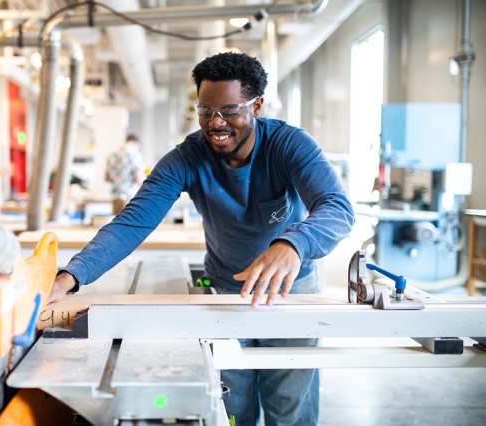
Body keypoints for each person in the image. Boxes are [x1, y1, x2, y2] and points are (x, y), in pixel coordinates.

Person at [49, 52, 355, 425]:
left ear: (256, 105)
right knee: (231, 404)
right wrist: (70, 277)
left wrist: (294, 244)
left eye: (229, 110)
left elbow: (337, 208)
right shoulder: (187, 158)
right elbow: (132, 223)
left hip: (292, 291)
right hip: (225, 295)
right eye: (205, 111)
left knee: (288, 405)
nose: (216, 123)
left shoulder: (289, 145)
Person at [104, 133, 146, 215]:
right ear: (136, 143)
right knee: (128, 224)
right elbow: (139, 178)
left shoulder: (111, 154)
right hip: (130, 197)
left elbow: (106, 177)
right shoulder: (135, 155)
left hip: (115, 196)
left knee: (116, 223)